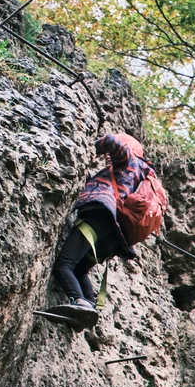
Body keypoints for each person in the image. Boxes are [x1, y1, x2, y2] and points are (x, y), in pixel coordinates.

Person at [50, 133, 156, 328]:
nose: (108, 156)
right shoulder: (140, 175)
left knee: (63, 264)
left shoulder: (129, 162)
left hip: (98, 218)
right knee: (80, 270)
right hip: (114, 238)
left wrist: (88, 146)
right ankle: (90, 306)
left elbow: (111, 142)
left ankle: (79, 302)